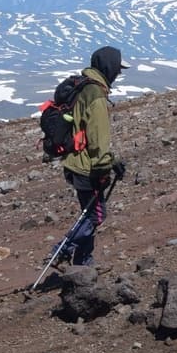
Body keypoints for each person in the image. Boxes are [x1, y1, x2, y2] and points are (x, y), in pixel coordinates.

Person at [53, 46, 128, 267]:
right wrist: (107, 165)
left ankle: (83, 263)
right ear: (109, 67)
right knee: (95, 216)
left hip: (74, 163)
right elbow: (98, 141)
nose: (119, 73)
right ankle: (62, 250)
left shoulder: (83, 86)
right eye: (117, 68)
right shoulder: (96, 96)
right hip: (88, 168)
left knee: (88, 214)